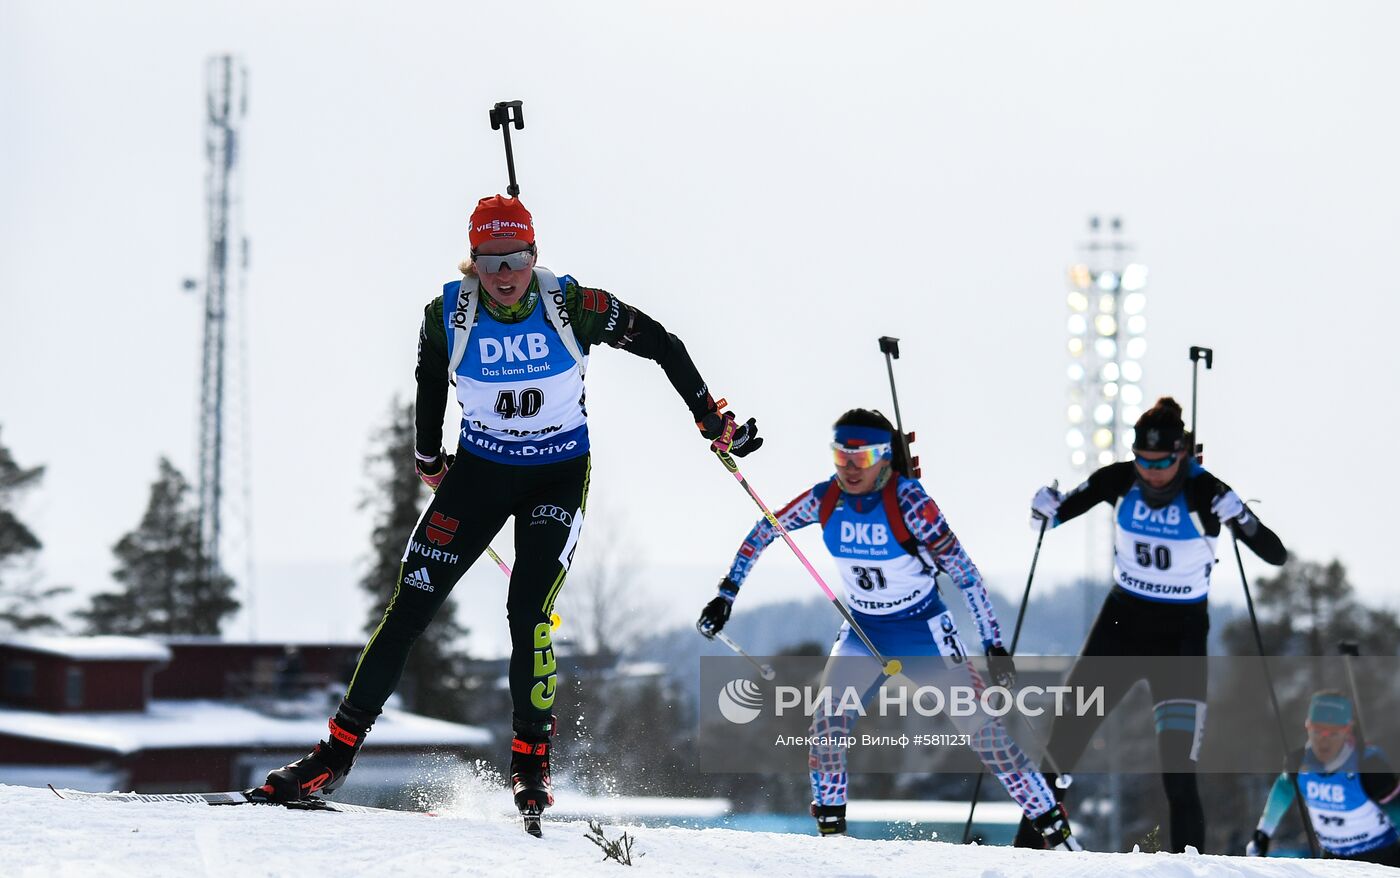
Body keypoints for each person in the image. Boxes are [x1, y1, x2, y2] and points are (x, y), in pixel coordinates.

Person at [255, 195, 763, 825]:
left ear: (533, 255)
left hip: (555, 475)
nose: (503, 275)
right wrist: (427, 454)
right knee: (410, 605)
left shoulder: (572, 305)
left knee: (527, 608)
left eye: (515, 259)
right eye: (490, 261)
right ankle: (332, 757)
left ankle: (530, 766)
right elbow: (429, 380)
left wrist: (709, 416)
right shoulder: (446, 314)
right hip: (478, 475)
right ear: (472, 262)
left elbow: (662, 341)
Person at [697, 408, 1080, 849]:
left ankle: (1053, 827)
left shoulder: (911, 504)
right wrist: (727, 593)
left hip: (924, 632)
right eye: (841, 458)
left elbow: (966, 575)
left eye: (860, 459)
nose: (849, 470)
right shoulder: (826, 499)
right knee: (827, 727)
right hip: (864, 631)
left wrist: (993, 644)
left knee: (984, 734)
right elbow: (767, 528)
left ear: (883, 458)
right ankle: (831, 839)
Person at [1013, 396, 1287, 853]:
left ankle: (1188, 867)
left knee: (1179, 774)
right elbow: (1056, 514)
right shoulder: (1119, 480)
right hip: (1121, 624)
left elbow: (1275, 554)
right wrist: (1042, 507)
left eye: (1160, 462)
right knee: (1060, 748)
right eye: (1142, 459)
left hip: (1179, 640)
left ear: (1182, 453)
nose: (1151, 471)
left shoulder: (1206, 492)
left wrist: (1242, 516)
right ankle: (1026, 856)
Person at [1247, 691, 1400, 866]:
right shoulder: (1298, 762)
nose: (1323, 741)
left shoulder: (1369, 766)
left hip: (1380, 858)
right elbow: (1284, 788)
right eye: (1317, 731)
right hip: (1332, 860)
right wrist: (1263, 833)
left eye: (1333, 734)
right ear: (1308, 726)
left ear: (1347, 731)